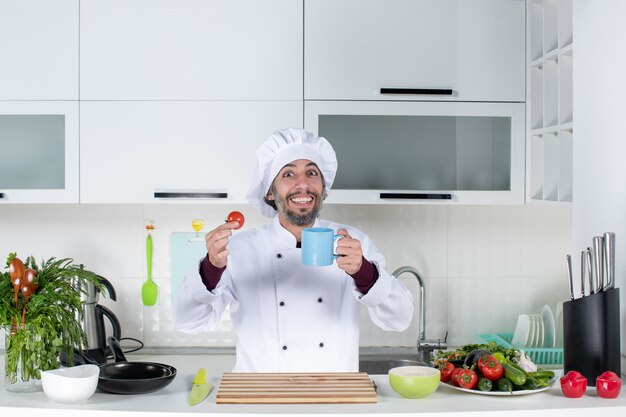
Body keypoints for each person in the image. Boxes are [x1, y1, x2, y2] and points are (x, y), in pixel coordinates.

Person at [173, 128, 413, 372]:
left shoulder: (353, 243)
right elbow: (188, 322)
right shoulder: (238, 249)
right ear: (269, 191)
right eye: (288, 174)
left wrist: (365, 273)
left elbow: (399, 319)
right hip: (261, 399)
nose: (303, 184)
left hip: (331, 398)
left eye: (311, 173)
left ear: (323, 185)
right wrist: (211, 268)